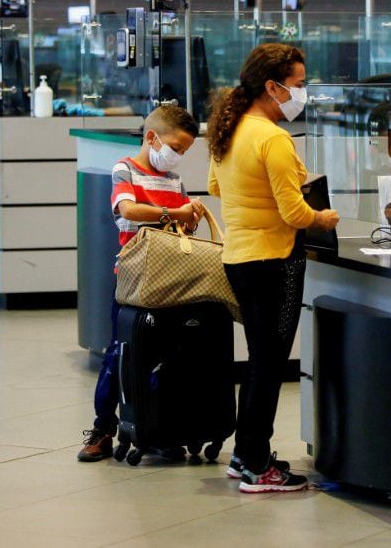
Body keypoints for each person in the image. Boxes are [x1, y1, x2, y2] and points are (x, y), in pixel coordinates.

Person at [206, 43, 339, 493]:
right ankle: (256, 465)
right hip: (275, 262)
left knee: (259, 361)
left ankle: (245, 454)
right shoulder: (273, 138)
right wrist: (324, 218)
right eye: (298, 84)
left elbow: (215, 187)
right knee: (268, 365)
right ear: (272, 86)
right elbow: (295, 213)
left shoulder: (230, 129)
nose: (302, 92)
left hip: (239, 257)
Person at [78, 105, 205, 462]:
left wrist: (190, 217)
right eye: (175, 148)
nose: (177, 156)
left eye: (184, 151)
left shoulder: (174, 180)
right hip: (133, 280)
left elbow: (183, 227)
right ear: (152, 137)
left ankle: (157, 428)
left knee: (165, 355)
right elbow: (128, 211)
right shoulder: (125, 169)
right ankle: (103, 428)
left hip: (169, 280)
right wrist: (173, 213)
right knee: (120, 352)